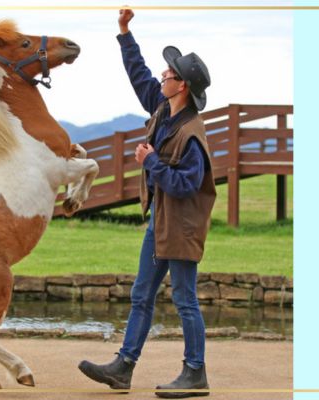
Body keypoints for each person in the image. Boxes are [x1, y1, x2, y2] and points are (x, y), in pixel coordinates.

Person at [78, 8, 216, 399]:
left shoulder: (191, 134)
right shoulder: (163, 108)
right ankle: (123, 367)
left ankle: (195, 373)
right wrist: (124, 33)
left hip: (182, 227)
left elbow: (185, 185)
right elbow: (139, 73)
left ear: (183, 86)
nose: (162, 76)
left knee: (184, 298)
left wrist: (150, 161)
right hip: (160, 223)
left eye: (169, 75)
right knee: (142, 294)